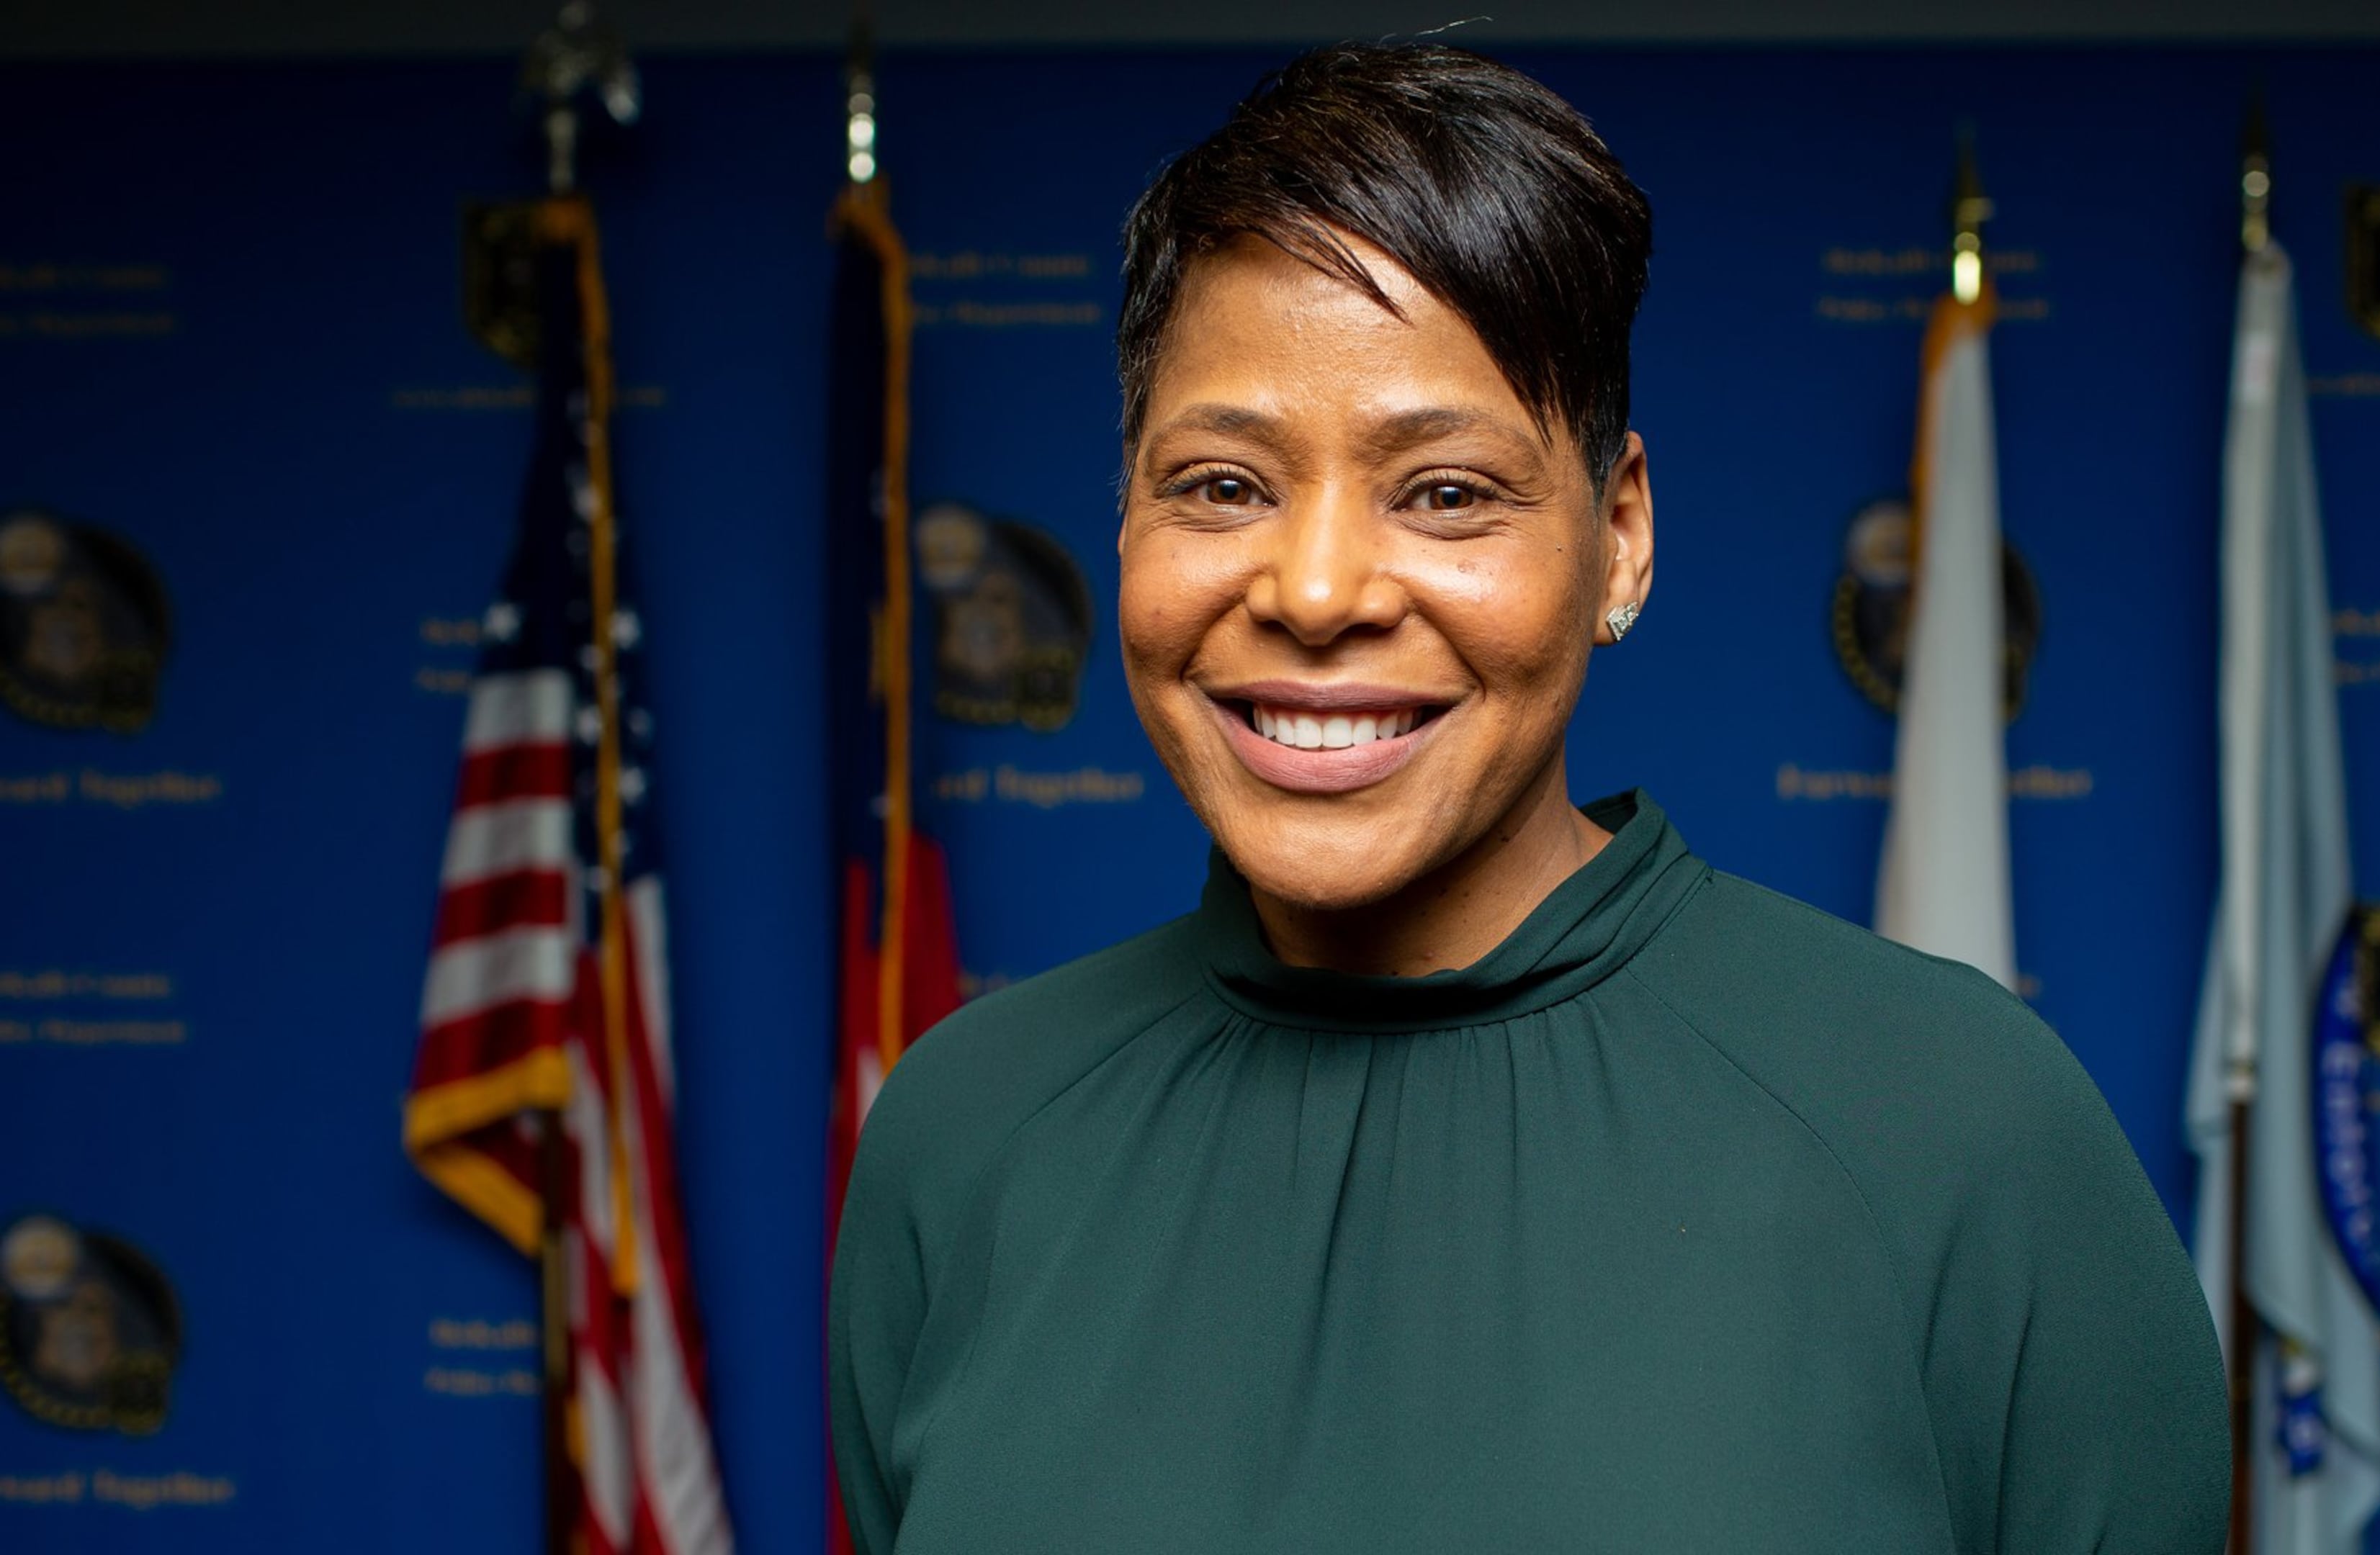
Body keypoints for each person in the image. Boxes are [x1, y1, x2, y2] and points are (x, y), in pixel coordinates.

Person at [831, 42, 2226, 1554]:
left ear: (1619, 537)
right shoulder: (959, 1139)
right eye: (1223, 484)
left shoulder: (1964, 1132)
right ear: (1125, 514)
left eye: (1445, 493)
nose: (1313, 591)